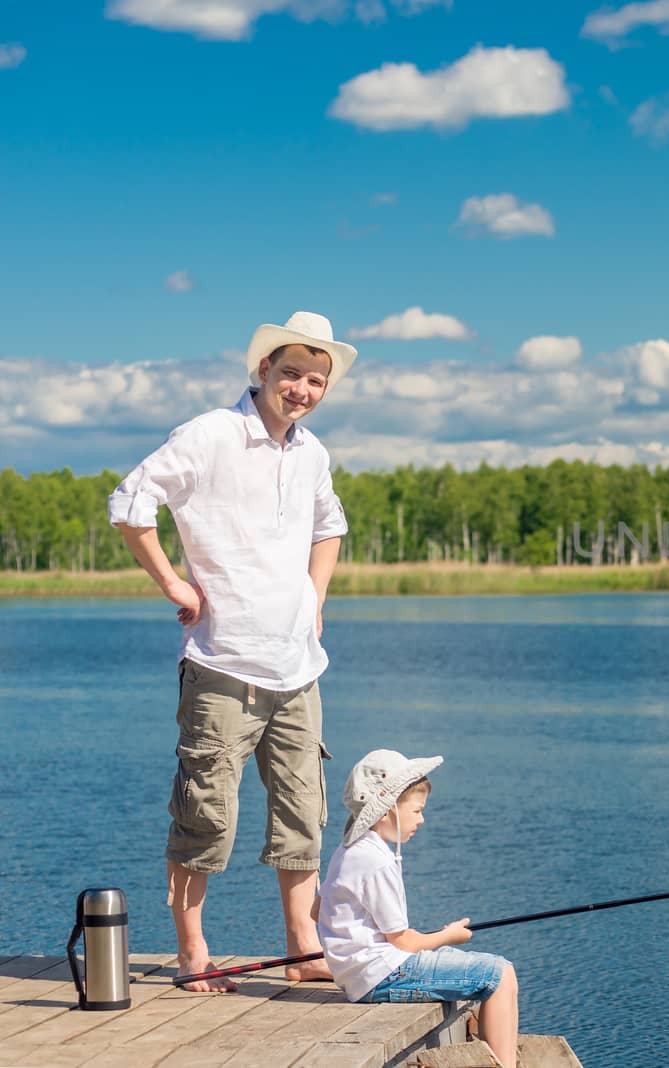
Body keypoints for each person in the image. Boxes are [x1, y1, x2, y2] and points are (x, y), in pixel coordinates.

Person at [108, 311, 358, 991]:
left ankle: (304, 949)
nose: (302, 389)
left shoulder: (311, 453)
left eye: (315, 379)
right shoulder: (211, 434)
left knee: (303, 813)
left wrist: (316, 600)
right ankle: (193, 957)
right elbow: (131, 503)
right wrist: (172, 584)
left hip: (298, 670)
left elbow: (330, 527)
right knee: (205, 818)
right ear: (262, 372)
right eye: (291, 374)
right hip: (223, 667)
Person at [319, 751, 519, 1067]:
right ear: (387, 812)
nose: (421, 819)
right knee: (499, 975)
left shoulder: (347, 849)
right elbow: (403, 942)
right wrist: (447, 935)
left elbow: (318, 909)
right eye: (417, 810)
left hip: (364, 974)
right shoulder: (377, 860)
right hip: (382, 975)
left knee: (486, 966)